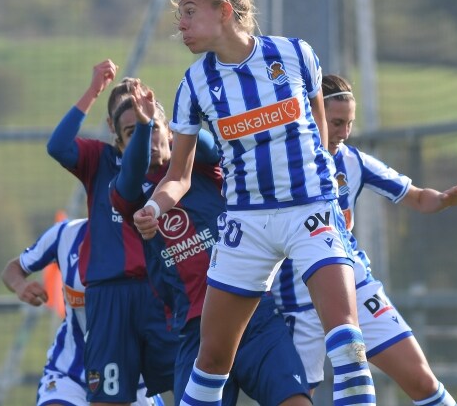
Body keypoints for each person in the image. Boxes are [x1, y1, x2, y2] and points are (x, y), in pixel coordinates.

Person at [132, 0, 375, 406]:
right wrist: (153, 207)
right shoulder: (194, 84)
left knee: (346, 341)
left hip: (309, 210)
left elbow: (321, 139)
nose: (179, 24)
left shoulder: (295, 55)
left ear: (224, 11)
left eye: (189, 12)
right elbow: (179, 176)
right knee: (212, 359)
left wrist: (329, 201)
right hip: (246, 222)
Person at [272, 74, 457, 405]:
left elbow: (419, 198)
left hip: (354, 287)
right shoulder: (279, 163)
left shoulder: (354, 161)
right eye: (336, 122)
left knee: (422, 380)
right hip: (300, 302)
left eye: (349, 123)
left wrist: (443, 198)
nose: (343, 132)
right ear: (313, 115)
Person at [110, 80, 311, 405]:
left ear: (172, 132)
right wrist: (146, 125)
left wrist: (183, 126)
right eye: (132, 134)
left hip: (252, 310)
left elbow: (203, 142)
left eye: (156, 128)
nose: (148, 139)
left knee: (295, 401)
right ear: (121, 146)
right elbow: (130, 175)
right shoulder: (128, 193)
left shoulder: (202, 167)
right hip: (196, 328)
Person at [46, 60, 176, 406]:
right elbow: (57, 146)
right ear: (114, 132)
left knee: (192, 381)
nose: (144, 139)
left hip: (161, 292)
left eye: (148, 126)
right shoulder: (100, 160)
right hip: (110, 296)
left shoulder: (177, 170)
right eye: (132, 131)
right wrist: (93, 91)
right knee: (109, 397)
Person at [1, 216, 163, 406]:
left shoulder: (149, 237)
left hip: (132, 382)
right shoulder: (65, 234)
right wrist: (21, 286)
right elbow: (12, 269)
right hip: (69, 374)